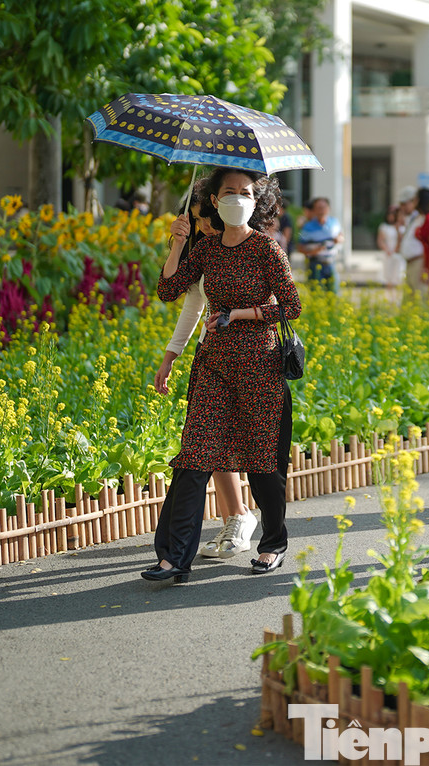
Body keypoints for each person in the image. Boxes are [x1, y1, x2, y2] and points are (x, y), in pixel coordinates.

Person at [148, 167, 302, 581]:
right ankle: (173, 556)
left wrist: (240, 313)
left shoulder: (268, 249)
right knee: (195, 455)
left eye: (246, 191)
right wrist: (177, 244)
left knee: (263, 463)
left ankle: (273, 544)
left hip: (260, 366)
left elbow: (291, 306)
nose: (237, 197)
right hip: (213, 365)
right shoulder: (208, 249)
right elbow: (168, 290)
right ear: (214, 201)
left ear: (257, 200)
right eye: (229, 192)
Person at [153, 196, 259, 559]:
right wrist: (171, 356)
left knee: (219, 443)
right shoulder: (203, 249)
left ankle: (242, 517)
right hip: (210, 357)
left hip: (247, 357)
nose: (202, 227)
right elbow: (186, 302)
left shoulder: (251, 246)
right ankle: (236, 518)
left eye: (204, 220)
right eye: (196, 220)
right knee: (209, 442)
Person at [296, 197, 342, 293]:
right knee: (316, 293)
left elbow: (341, 236)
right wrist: (312, 252)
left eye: (323, 207)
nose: (321, 210)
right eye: (318, 208)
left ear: (328, 209)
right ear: (314, 210)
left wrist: (339, 239)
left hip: (331, 262)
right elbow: (300, 247)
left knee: (334, 293)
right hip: (315, 263)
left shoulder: (334, 223)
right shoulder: (308, 227)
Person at [399, 188, 428, 299]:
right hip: (410, 263)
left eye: (404, 204)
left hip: (419, 262)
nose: (402, 207)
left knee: (419, 297)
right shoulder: (413, 218)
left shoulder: (423, 218)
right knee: (409, 299)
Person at [377, 205, 405, 289]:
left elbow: (401, 240)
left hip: (398, 254)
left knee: (398, 276)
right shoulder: (384, 226)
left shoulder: (401, 227)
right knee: (388, 276)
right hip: (388, 253)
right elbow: (380, 240)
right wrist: (387, 249)